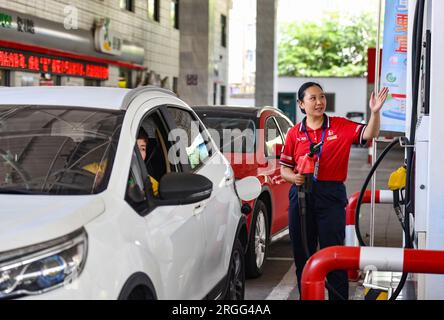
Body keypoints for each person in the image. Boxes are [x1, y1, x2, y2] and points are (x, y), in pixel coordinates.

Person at [280, 82, 389, 300]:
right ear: (301, 104)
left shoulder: (339, 126)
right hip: (301, 195)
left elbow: (370, 133)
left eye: (322, 97)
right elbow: (284, 169)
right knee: (304, 255)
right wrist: (295, 177)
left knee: (334, 254)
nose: (319, 102)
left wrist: (375, 113)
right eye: (312, 98)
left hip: (331, 195)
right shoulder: (294, 133)